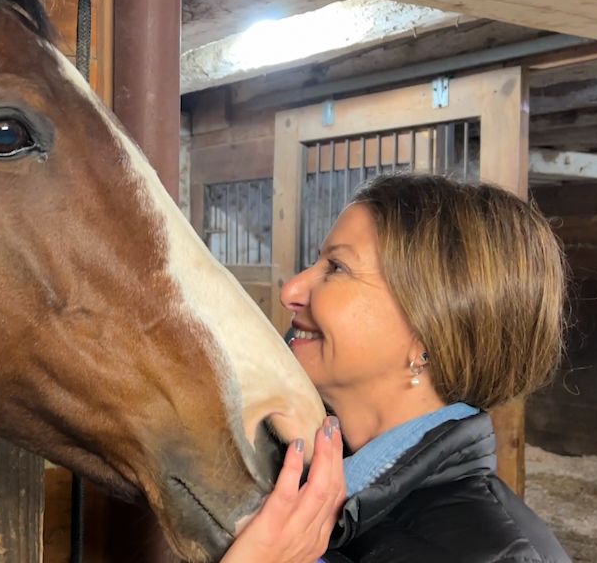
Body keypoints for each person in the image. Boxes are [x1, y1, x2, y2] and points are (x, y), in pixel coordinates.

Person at [222, 173, 571, 563]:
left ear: (426, 333)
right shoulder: (295, 468)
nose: (291, 291)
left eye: (336, 267)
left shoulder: (500, 557)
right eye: (316, 261)